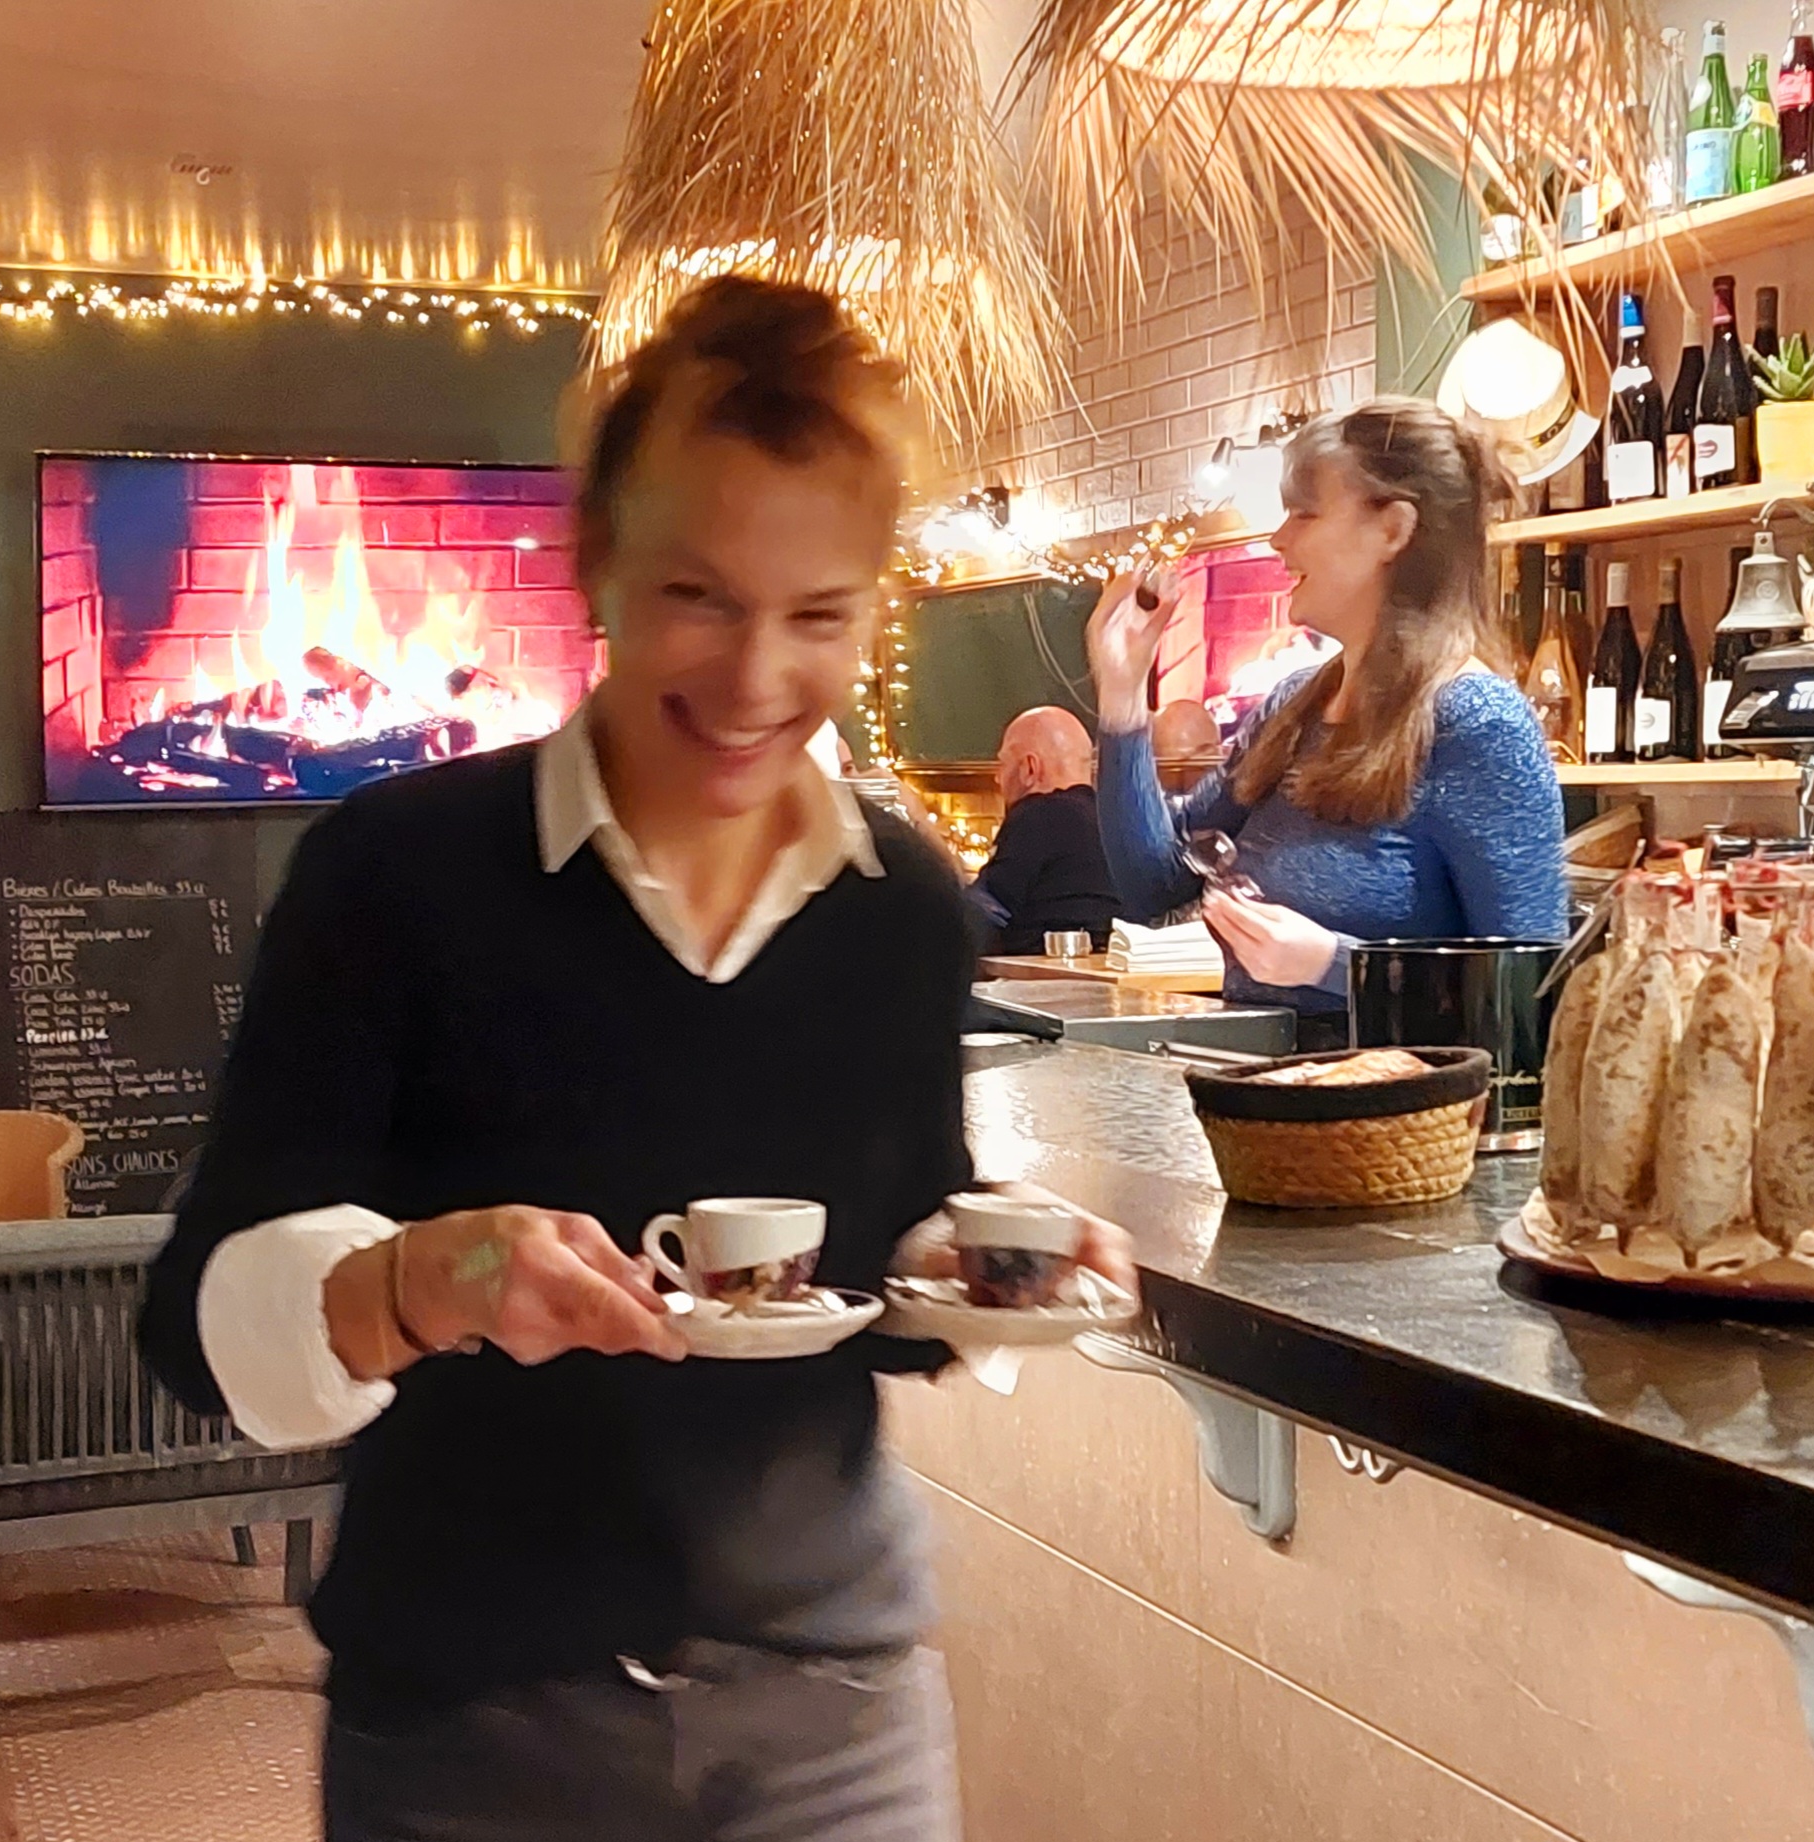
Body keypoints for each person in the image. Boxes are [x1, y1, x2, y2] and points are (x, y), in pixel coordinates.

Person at [136, 275, 1130, 1841]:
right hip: (473, 1721)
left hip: (832, 1708)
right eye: (698, 596)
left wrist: (977, 1267)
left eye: (817, 615)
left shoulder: (900, 909)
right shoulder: (394, 876)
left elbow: (871, 1286)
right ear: (593, 556)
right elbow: (196, 1329)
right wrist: (424, 1281)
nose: (755, 679)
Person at [1087, 397, 1569, 1045]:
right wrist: (1122, 699)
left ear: (1393, 529)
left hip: (1397, 1104)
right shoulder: (1294, 705)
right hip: (1267, 1088)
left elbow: (1532, 995)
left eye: (1304, 513)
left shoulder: (1478, 723)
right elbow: (1155, 884)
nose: (1278, 539)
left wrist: (1332, 964)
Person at [967, 704, 1119, 951]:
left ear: (1030, 768)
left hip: (1039, 967)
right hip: (1113, 964)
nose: (997, 778)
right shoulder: (1118, 822)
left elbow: (984, 912)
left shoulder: (1038, 815)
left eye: (1003, 764)